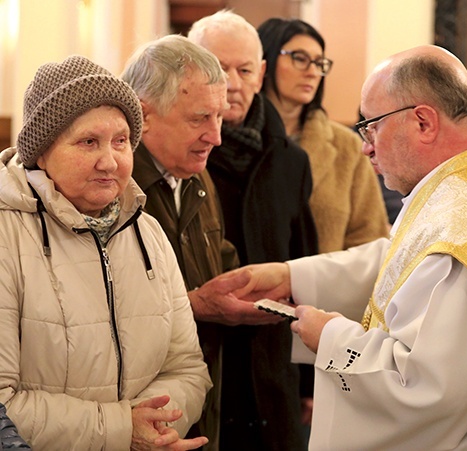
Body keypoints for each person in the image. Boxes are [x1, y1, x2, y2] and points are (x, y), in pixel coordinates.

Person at [227, 45, 467, 450]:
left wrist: (331, 337)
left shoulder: (462, 223)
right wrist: (293, 276)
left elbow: (425, 388)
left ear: (423, 121)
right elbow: (407, 259)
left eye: (371, 126)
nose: (367, 146)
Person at [0, 55, 211, 450]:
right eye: (88, 142)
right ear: (41, 152)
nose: (109, 160)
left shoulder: (147, 231)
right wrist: (120, 430)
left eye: (120, 141)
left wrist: (156, 429)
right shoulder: (6, 236)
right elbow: (2, 403)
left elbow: (187, 368)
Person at [121, 34, 284, 449]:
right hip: (136, 421)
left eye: (218, 116)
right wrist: (195, 304)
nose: (216, 136)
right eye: (199, 119)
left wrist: (261, 286)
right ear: (143, 115)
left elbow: (216, 258)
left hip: (196, 409)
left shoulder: (196, 176)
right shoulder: (111, 188)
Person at [187, 11, 318, 451]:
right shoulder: (180, 157)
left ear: (261, 75)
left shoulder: (290, 160)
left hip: (270, 370)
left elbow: (305, 264)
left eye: (244, 70)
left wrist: (307, 382)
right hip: (200, 364)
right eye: (217, 68)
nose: (233, 81)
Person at [257, 17, 389, 253]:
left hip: (322, 286)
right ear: (266, 61)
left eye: (319, 63)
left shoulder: (346, 146)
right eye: (300, 58)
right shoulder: (237, 138)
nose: (312, 72)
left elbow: (369, 240)